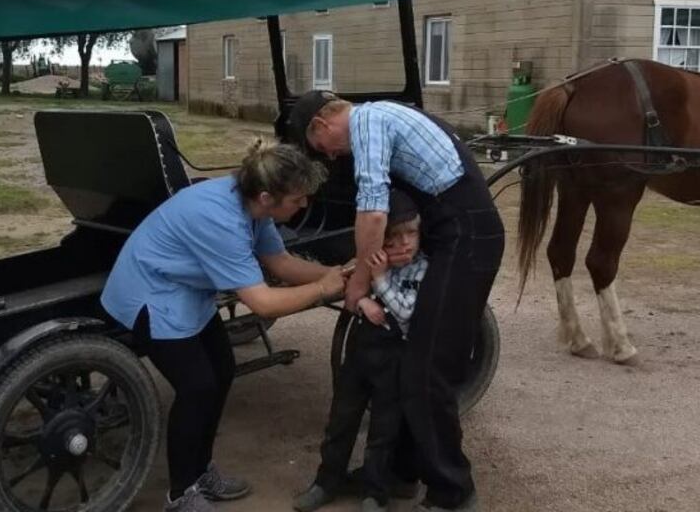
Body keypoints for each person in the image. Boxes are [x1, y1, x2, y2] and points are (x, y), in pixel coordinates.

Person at [100, 139, 348, 512]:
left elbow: (279, 262)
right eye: (298, 198)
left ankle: (201, 472)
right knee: (197, 386)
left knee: (223, 370)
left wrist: (334, 273)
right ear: (267, 197)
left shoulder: (255, 207)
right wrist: (322, 290)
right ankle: (180, 494)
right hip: (151, 294)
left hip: (186, 291)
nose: (304, 204)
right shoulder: (220, 219)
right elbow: (262, 301)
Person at [287, 91, 505, 511]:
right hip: (452, 231)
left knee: (428, 370)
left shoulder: (366, 124)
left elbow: (372, 213)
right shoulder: (384, 115)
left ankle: (454, 492)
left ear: (320, 125)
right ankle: (402, 472)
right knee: (412, 362)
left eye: (322, 149)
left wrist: (359, 286)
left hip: (467, 237)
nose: (331, 156)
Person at [294, 189, 428, 512]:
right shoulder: (370, 262)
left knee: (384, 430)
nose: (404, 244)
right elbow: (352, 289)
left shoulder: (421, 269)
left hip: (394, 359)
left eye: (411, 234)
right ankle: (326, 482)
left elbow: (407, 313)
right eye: (394, 238)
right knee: (341, 420)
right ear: (381, 241)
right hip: (360, 354)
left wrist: (380, 282)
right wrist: (364, 299)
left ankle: (375, 493)